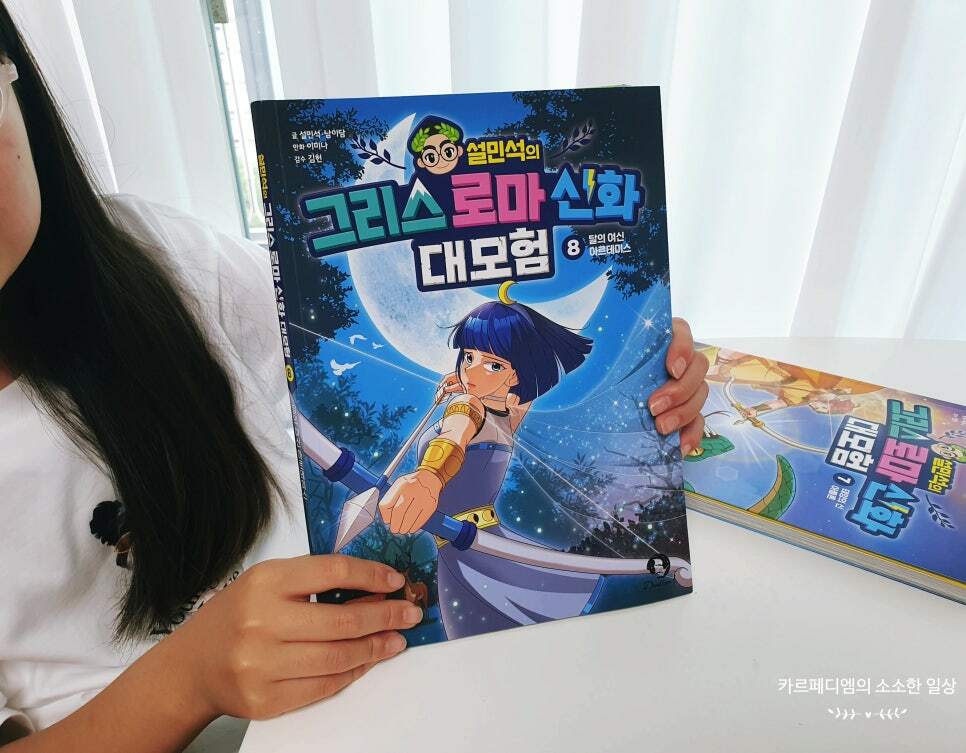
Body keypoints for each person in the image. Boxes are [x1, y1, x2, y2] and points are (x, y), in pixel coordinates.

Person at [0, 3, 708, 750]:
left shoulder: (157, 260)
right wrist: (190, 678)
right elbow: (446, 442)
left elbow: (327, 344)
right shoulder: (467, 413)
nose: (473, 370)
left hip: (419, 662)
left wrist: (650, 389)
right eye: (470, 357)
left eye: (491, 362)